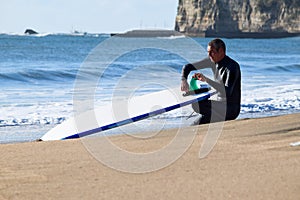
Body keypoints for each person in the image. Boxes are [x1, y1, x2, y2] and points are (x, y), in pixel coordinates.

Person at [181, 38, 241, 125]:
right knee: (194, 125)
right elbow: (187, 67)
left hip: (231, 110)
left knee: (197, 105)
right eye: (208, 52)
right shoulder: (211, 61)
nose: (209, 55)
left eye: (211, 52)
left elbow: (227, 92)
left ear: (220, 51)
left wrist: (207, 80)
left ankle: (217, 121)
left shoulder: (232, 67)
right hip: (218, 107)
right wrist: (184, 80)